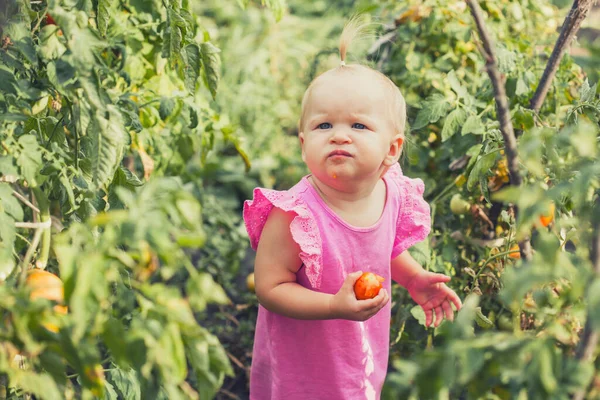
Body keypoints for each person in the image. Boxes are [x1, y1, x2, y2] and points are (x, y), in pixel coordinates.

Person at [242, 17, 462, 400]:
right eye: (324, 125)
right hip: (302, 368)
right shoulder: (296, 216)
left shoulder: (390, 191)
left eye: (358, 126)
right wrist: (332, 305)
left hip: (356, 349)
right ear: (303, 141)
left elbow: (382, 250)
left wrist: (411, 278)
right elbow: (270, 287)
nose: (339, 135)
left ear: (392, 149)